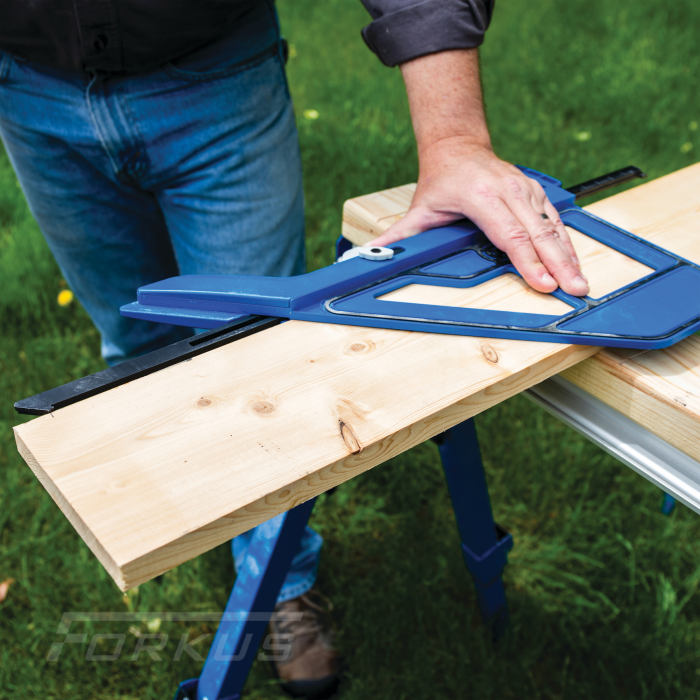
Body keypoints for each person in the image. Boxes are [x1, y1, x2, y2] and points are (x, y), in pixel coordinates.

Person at [0, 1, 589, 696]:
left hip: (216, 74)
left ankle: (282, 585)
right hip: (30, 88)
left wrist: (454, 139)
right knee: (135, 344)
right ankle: (179, 503)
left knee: (260, 367)